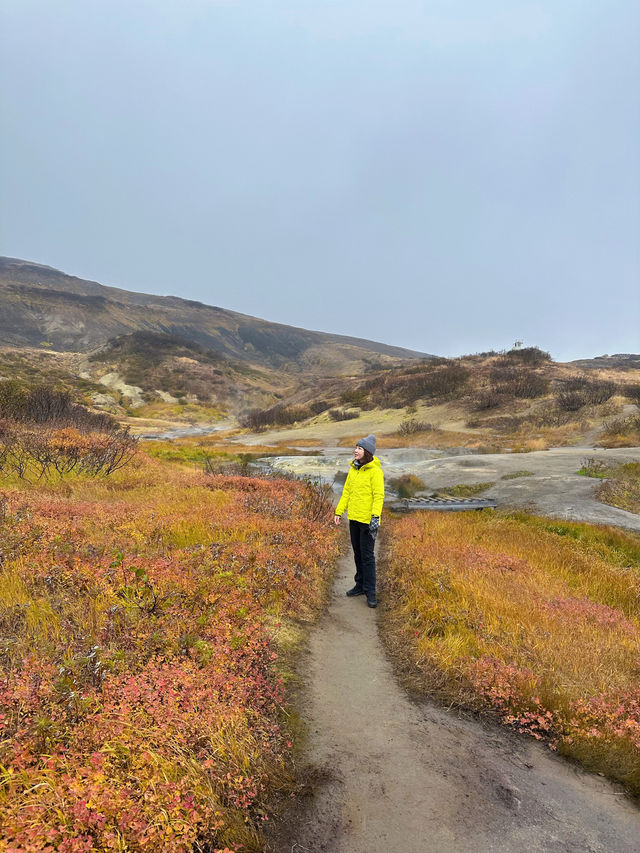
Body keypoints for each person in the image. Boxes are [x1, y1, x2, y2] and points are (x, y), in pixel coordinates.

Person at [334, 434, 384, 608]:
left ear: (367, 452)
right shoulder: (353, 470)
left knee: (368, 557)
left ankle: (370, 592)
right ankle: (360, 585)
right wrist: (339, 512)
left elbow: (378, 496)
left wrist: (375, 517)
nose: (355, 451)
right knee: (357, 554)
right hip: (354, 518)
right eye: (355, 447)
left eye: (359, 448)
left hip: (368, 521)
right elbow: (346, 492)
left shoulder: (375, 472)